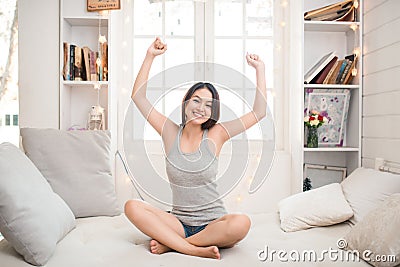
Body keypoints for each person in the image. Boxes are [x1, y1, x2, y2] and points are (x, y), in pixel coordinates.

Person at [125, 37, 267, 260]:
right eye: (196, 101)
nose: (201, 108)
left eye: (209, 105)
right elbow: (138, 97)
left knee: (241, 223)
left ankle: (173, 246)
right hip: (178, 223)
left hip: (214, 225)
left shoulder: (217, 134)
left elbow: (259, 112)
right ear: (186, 102)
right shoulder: (169, 131)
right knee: (132, 206)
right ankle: (190, 247)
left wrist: (260, 69)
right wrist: (150, 55)